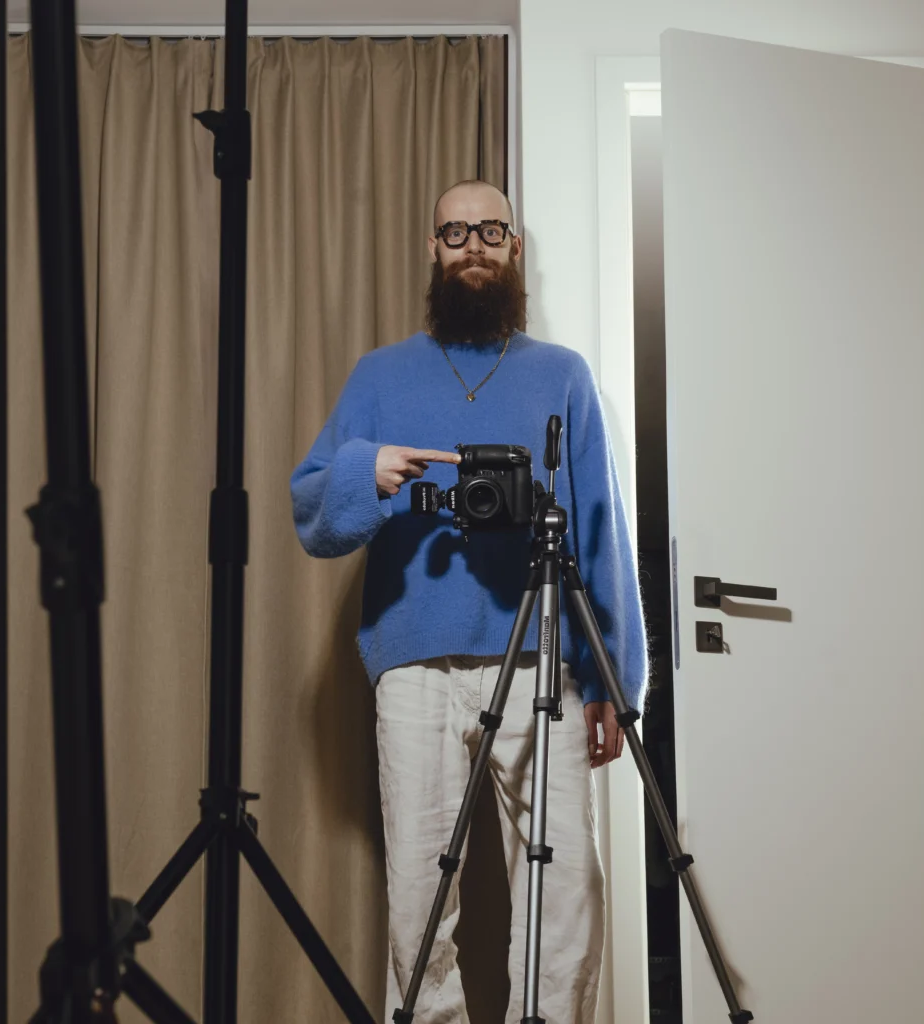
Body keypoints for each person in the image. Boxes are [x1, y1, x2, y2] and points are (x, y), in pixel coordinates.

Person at [290, 179, 648, 1024]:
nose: (473, 246)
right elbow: (312, 514)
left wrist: (613, 681)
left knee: (565, 885)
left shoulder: (562, 375)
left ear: (514, 247)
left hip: (541, 662)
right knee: (419, 892)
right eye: (456, 233)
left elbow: (600, 528)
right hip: (414, 662)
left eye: (490, 230)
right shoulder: (379, 376)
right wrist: (370, 470)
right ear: (433, 248)